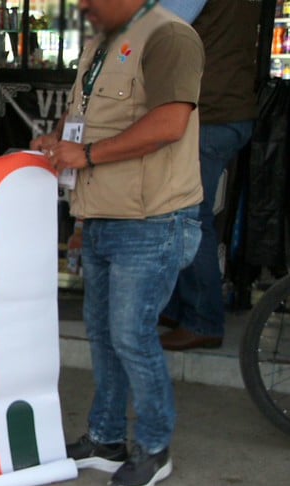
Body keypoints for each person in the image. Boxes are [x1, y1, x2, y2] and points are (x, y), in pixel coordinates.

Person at [31, 0, 203, 486]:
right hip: (102, 213)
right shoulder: (102, 41)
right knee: (104, 335)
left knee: (131, 335)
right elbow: (84, 114)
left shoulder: (169, 36)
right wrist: (57, 140)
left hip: (150, 218)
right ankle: (106, 440)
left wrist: (85, 154)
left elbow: (169, 123)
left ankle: (154, 446)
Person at [159, 0, 261, 351]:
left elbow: (160, 23)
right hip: (228, 108)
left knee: (188, 214)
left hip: (208, 112)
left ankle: (202, 318)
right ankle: (178, 306)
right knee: (181, 210)